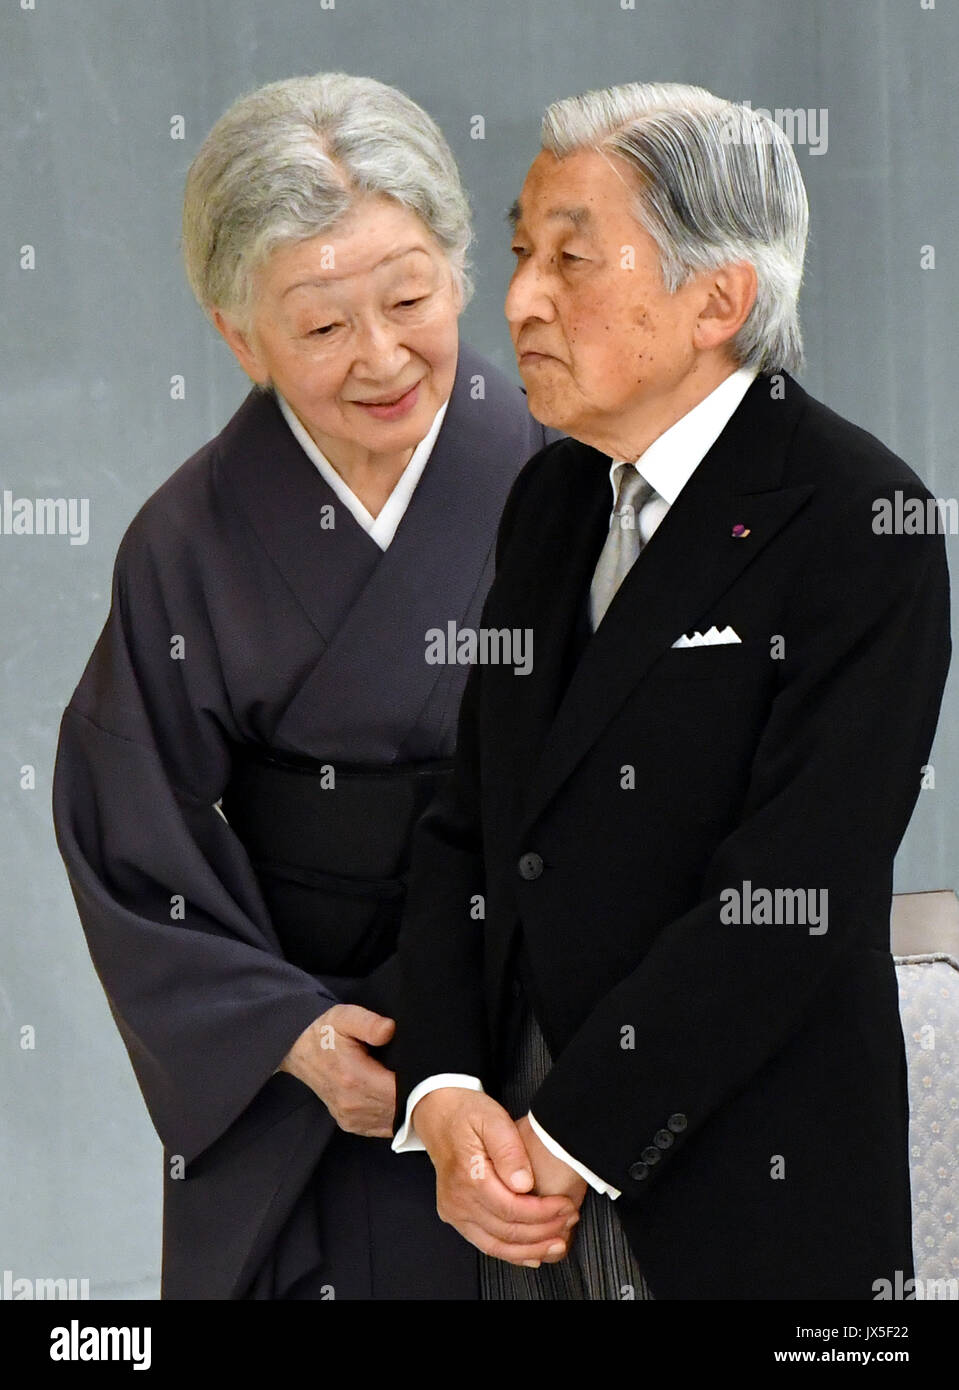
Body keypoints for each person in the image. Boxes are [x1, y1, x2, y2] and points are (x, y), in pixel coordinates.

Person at [391, 81, 952, 1300]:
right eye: (522, 251)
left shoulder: (860, 519)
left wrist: (573, 1135)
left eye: (571, 260)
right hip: (512, 1191)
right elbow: (465, 821)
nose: (519, 298)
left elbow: (794, 887)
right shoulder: (550, 501)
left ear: (716, 300)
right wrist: (441, 1095)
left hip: (741, 1188)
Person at [52, 71, 558, 1300]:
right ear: (239, 337)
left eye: (409, 297)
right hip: (320, 1046)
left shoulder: (569, 479)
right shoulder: (189, 539)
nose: (381, 357)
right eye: (323, 327)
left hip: (536, 1031)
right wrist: (285, 1033)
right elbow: (131, 824)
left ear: (459, 269)